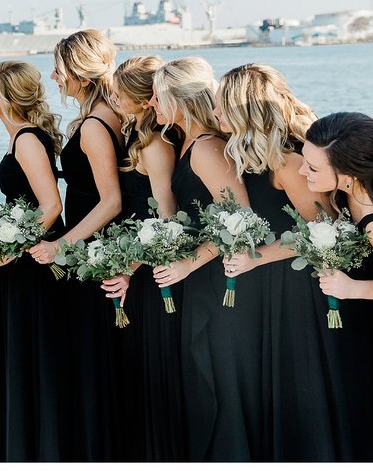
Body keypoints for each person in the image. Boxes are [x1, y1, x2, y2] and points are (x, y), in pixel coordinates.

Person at [213, 63, 338, 461]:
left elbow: (325, 230)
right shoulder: (254, 153)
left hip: (298, 288)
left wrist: (257, 258)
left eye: (221, 107)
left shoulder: (287, 161)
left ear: (242, 111)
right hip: (271, 285)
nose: (214, 115)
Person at [149, 56, 256, 462]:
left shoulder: (207, 149)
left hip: (215, 279)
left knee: (215, 379)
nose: (153, 106)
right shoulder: (186, 144)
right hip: (197, 275)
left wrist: (187, 264)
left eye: (159, 98)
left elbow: (241, 218)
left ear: (178, 99)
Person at [28, 29, 125, 461]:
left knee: (93, 353)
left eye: (59, 69)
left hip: (95, 247)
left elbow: (111, 200)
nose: (53, 76)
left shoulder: (95, 124)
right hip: (97, 244)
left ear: (79, 74)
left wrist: (61, 244)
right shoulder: (106, 113)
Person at [0, 60, 67, 462]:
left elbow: (51, 206)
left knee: (35, 352)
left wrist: (7, 250)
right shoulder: (20, 136)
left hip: (37, 261)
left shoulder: (28, 140)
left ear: (7, 96)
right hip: (24, 257)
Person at [110, 55, 184, 461]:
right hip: (135, 259)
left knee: (154, 364)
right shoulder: (134, 133)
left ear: (141, 99)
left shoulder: (154, 145)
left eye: (119, 94)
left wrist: (131, 266)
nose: (113, 99)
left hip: (151, 267)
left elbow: (166, 216)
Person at [300, 111, 373, 461]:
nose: (302, 172)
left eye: (313, 169)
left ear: (348, 175)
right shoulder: (351, 188)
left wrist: (353, 289)